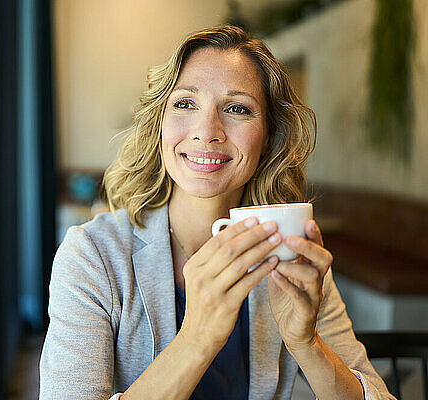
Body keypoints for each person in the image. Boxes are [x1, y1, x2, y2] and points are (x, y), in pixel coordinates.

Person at [39, 25, 394, 400]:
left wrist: (308, 344)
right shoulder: (92, 255)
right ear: (159, 122)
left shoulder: (288, 251)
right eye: (185, 103)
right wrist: (197, 339)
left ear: (269, 137)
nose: (207, 131)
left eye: (238, 108)